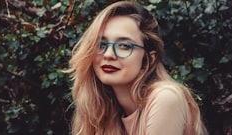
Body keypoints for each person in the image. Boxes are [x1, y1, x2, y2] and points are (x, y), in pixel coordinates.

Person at [66, 1, 208, 135]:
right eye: (101, 45)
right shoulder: (103, 111)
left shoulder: (165, 98)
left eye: (124, 46)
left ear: (149, 59)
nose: (108, 55)